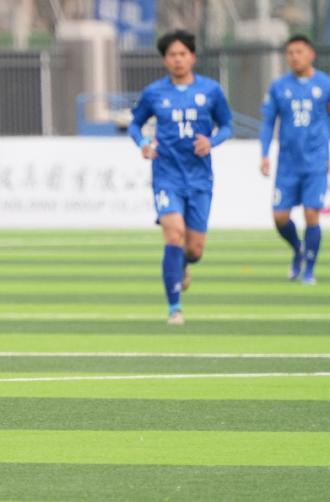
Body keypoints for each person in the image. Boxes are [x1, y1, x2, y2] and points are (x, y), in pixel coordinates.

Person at [127, 29, 234, 326]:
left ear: (192, 57)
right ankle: (174, 308)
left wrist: (211, 141)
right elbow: (135, 125)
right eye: (172, 55)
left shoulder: (211, 90)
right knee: (173, 233)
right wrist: (143, 143)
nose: (177, 59)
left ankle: (184, 265)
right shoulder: (154, 93)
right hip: (166, 176)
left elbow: (227, 125)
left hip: (200, 178)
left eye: (182, 54)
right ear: (164, 60)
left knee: (194, 250)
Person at [259, 33, 330, 285]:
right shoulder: (278, 87)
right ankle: (298, 249)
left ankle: (309, 270)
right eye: (290, 52)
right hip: (287, 164)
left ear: (311, 54)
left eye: (299, 52)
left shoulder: (325, 85)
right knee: (279, 217)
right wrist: (264, 153)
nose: (294, 57)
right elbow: (268, 122)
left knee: (312, 213)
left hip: (316, 162)